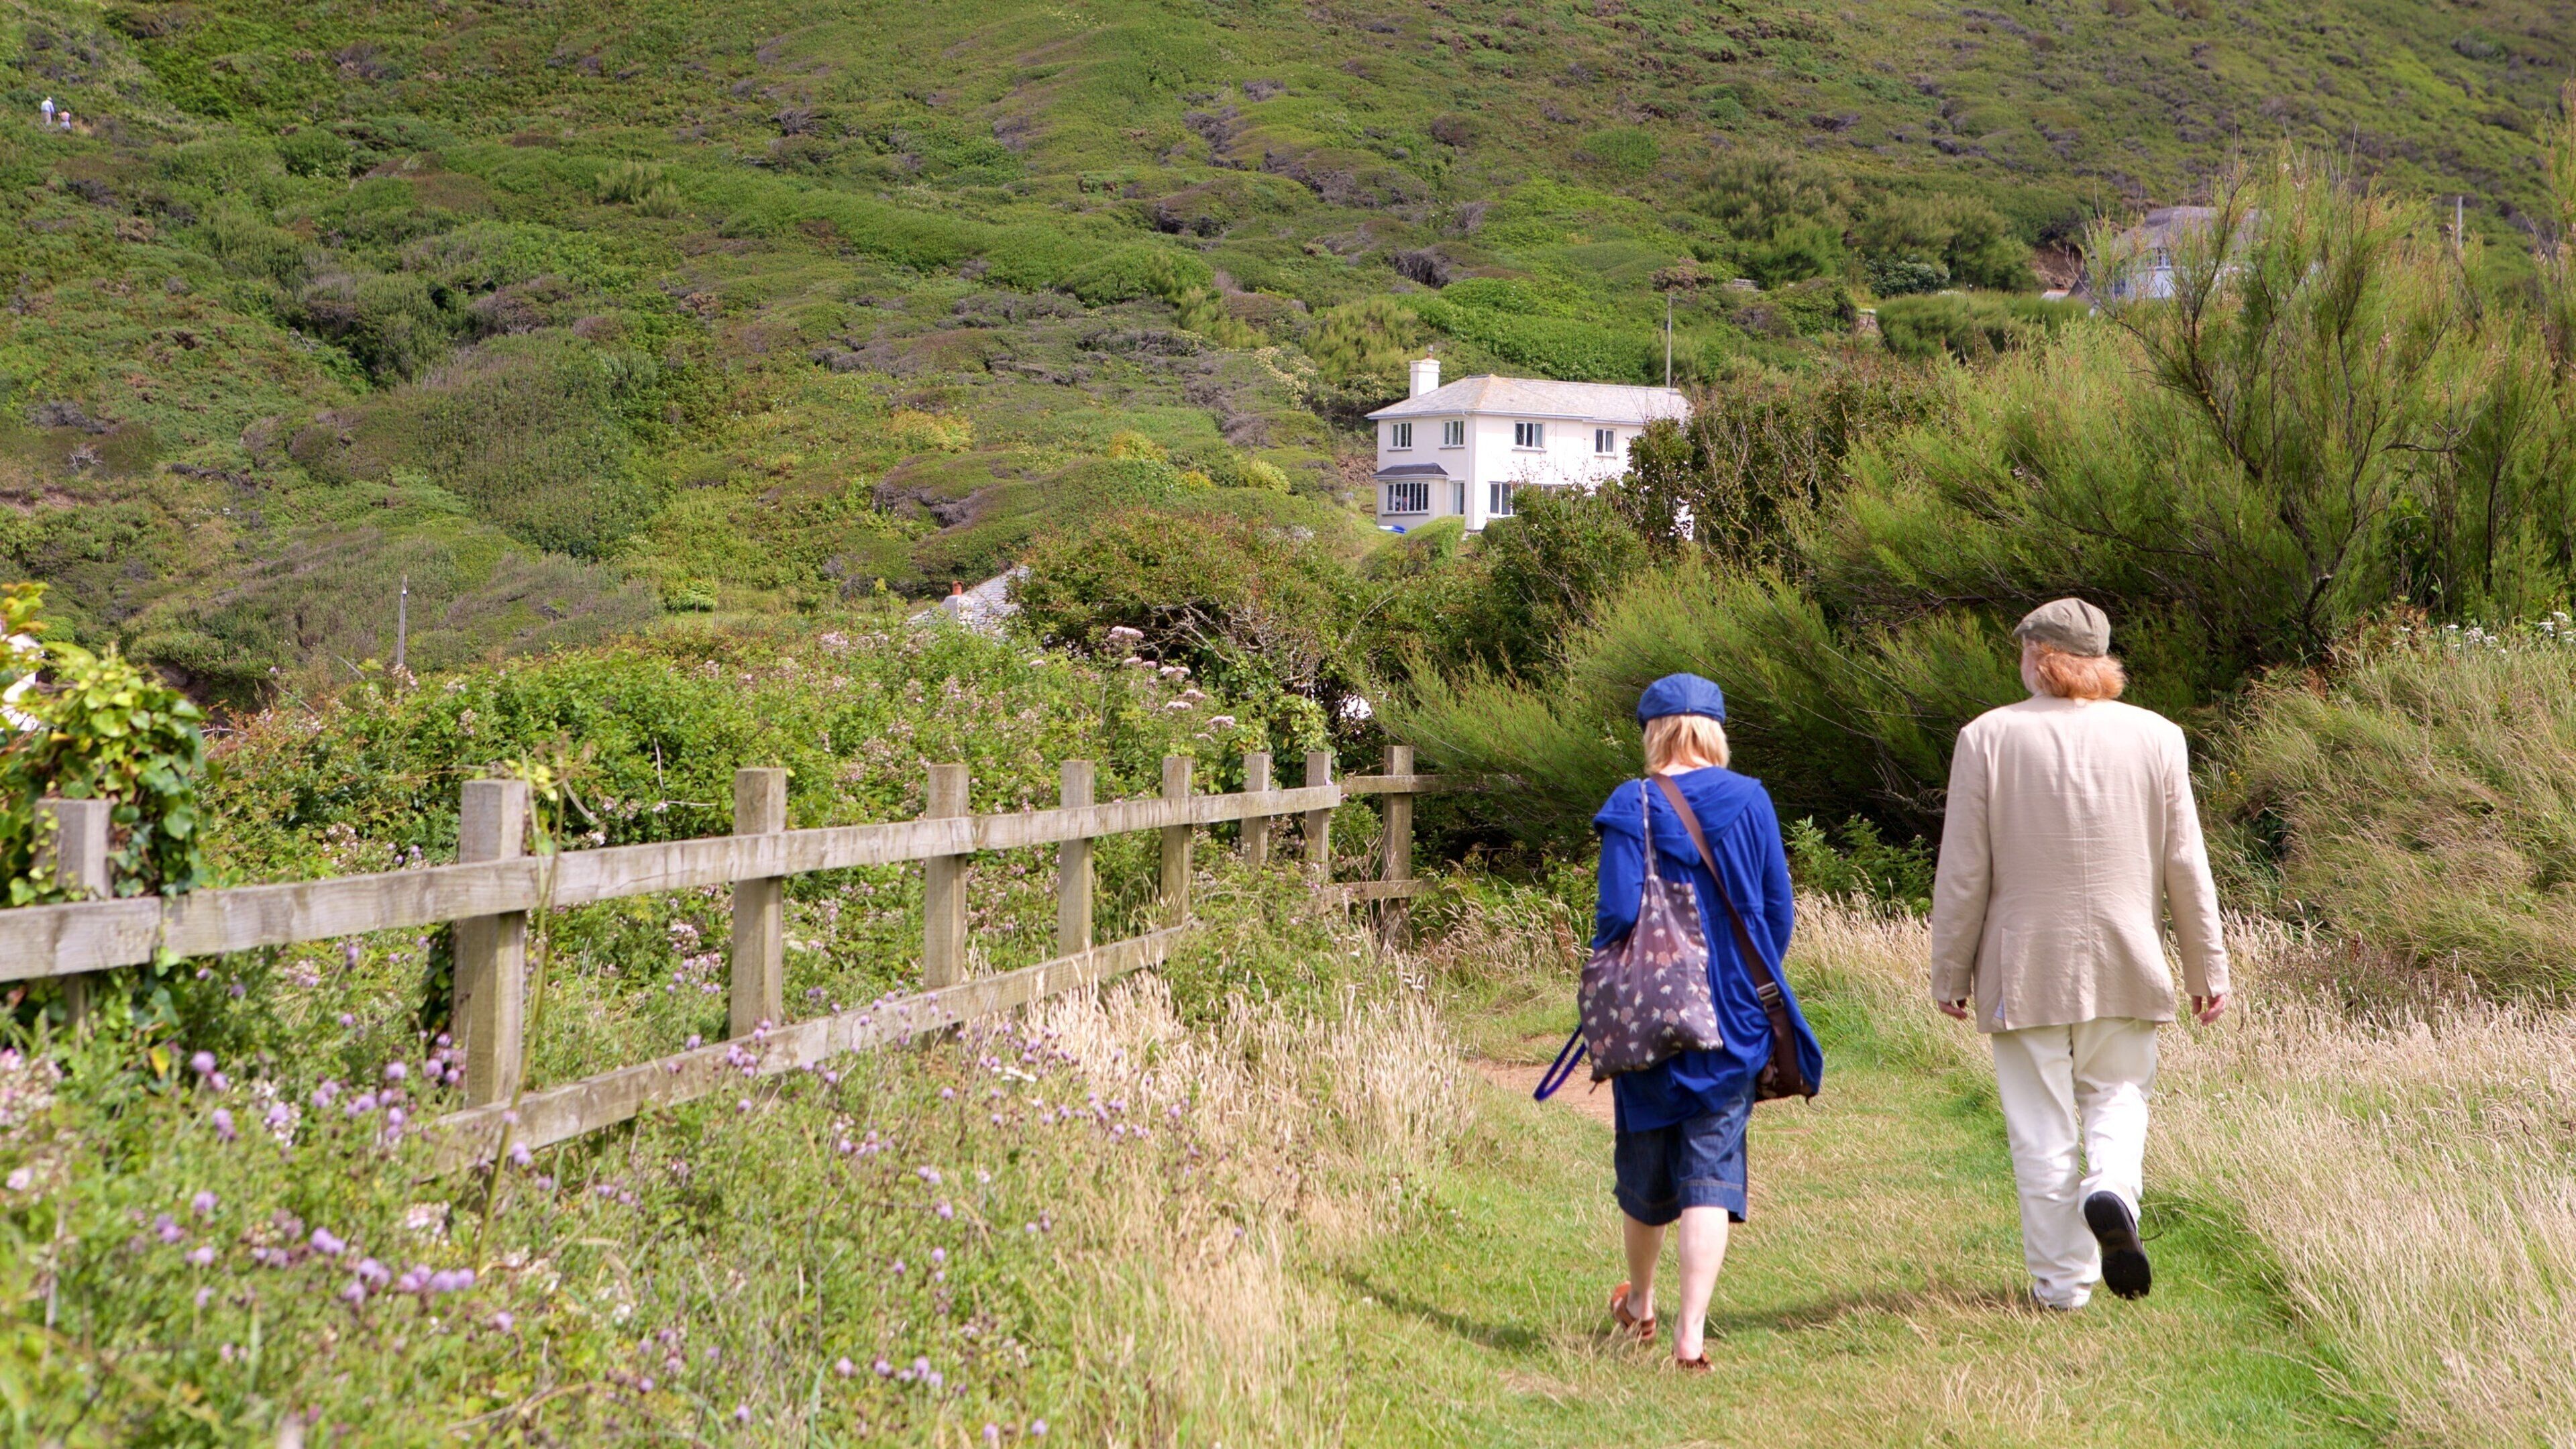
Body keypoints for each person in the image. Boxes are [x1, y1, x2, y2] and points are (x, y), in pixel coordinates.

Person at [1929, 599, 2229, 1310]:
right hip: (2127, 955)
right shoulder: (2158, 737)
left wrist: (1950, 968)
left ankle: (2062, 1284)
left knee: (2040, 1124)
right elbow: (2186, 863)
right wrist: (2207, 968)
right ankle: (2112, 1187)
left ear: (2040, 657)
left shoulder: (1987, 738)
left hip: (2023, 963)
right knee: (2119, 1094)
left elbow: (1964, 870)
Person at [1591, 673, 1824, 1368]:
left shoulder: (1628, 805)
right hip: (1731, 1019)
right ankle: (1692, 1335)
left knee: (1645, 1167)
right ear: (1714, 731)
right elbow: (1777, 912)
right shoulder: (1749, 799)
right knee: (1711, 1173)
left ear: (1654, 732)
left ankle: (1640, 1304)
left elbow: (1615, 914)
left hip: (1651, 1022)